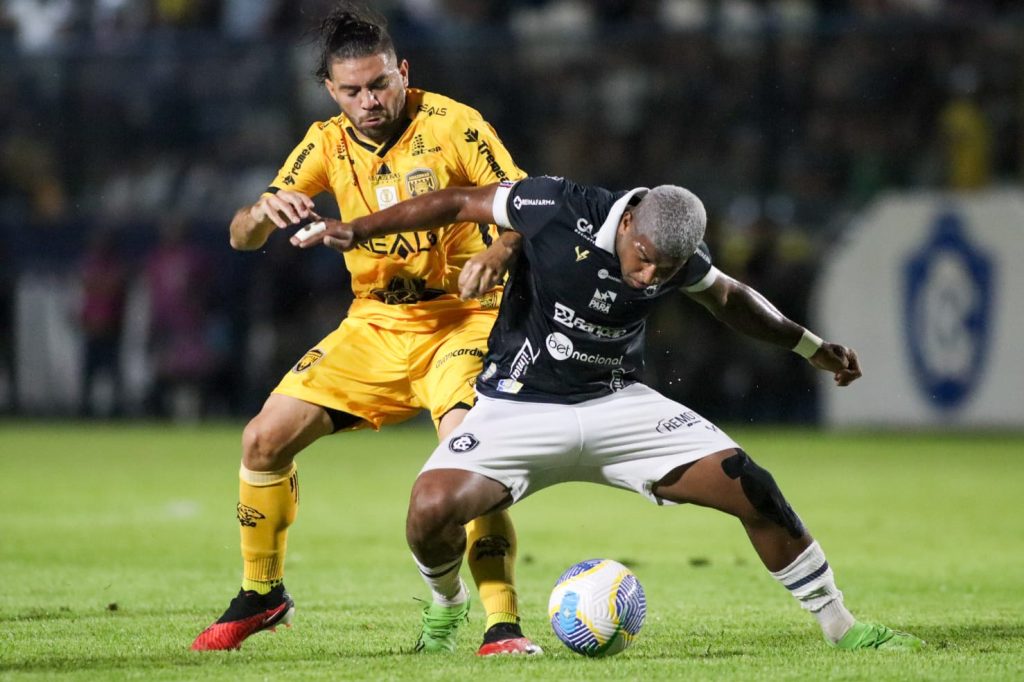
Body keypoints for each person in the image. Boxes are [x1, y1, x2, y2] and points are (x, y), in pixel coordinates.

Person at [292, 176, 926, 652]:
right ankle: (447, 601)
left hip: (618, 406)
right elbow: (459, 200)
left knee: (751, 485)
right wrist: (360, 229)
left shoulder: (673, 258)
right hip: (518, 405)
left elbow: (732, 298)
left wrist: (810, 346)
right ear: (628, 227)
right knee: (429, 510)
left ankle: (841, 626)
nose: (650, 276)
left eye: (667, 269)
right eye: (644, 257)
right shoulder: (558, 205)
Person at [191, 5, 540, 656]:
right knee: (263, 440)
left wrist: (498, 252)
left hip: (460, 320)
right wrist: (262, 214)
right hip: (375, 326)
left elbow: (524, 203)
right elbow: (241, 236)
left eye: (379, 84)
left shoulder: (454, 124)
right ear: (329, 89)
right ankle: (263, 593)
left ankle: (502, 623)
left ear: (401, 72)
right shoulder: (326, 141)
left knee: (470, 457)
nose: (368, 100)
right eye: (351, 90)